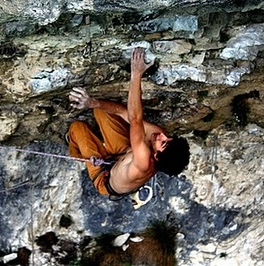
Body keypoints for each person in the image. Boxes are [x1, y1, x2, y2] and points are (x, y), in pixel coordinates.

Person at [67, 47, 190, 200]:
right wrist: (92, 102)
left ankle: (75, 150)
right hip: (122, 154)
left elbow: (135, 119)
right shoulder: (157, 138)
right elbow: (124, 113)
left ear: (157, 156)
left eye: (163, 142)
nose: (162, 135)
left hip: (104, 177)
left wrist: (136, 73)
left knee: (78, 128)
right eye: (168, 138)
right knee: (102, 110)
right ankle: (103, 140)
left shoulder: (144, 161)